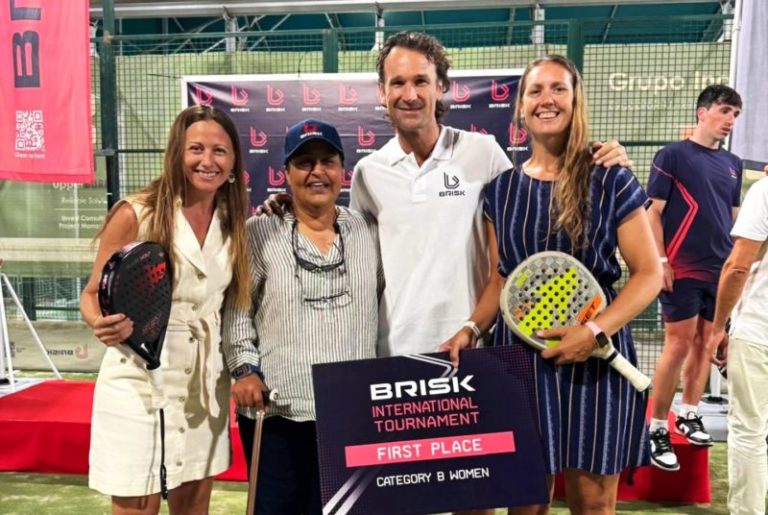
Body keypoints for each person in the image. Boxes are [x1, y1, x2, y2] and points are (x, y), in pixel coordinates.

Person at [445, 55, 661, 514]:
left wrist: (595, 332)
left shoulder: (612, 179)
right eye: (536, 91)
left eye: (558, 89)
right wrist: (469, 329)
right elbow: (500, 279)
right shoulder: (500, 191)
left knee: (594, 503)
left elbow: (649, 274)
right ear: (520, 106)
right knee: (526, 503)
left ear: (575, 100)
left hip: (598, 360)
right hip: (521, 359)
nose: (547, 100)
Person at [80, 104, 251, 514]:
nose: (207, 161)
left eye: (219, 151)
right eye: (196, 149)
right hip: (139, 380)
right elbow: (91, 294)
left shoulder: (236, 222)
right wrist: (101, 323)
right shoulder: (136, 212)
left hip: (205, 386)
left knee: (194, 506)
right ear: (177, 152)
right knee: (136, 504)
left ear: (232, 162)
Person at [222, 119, 383, 515]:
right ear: (286, 174)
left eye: (327, 161)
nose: (317, 172)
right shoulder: (259, 231)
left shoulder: (366, 229)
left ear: (342, 170)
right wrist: (244, 370)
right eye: (304, 163)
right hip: (279, 410)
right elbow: (237, 311)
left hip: (350, 409)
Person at [646, 85, 743, 472]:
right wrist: (661, 260)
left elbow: (732, 219)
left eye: (735, 114)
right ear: (702, 112)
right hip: (682, 267)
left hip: (720, 271)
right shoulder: (672, 155)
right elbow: (653, 213)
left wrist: (740, 267)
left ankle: (690, 412)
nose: (730, 120)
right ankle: (657, 427)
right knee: (678, 345)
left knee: (707, 343)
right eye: (724, 111)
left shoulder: (733, 163)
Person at [706, 176, 768, 515]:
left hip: (759, 330)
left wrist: (718, 327)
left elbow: (737, 266)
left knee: (750, 431)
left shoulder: (764, 192)